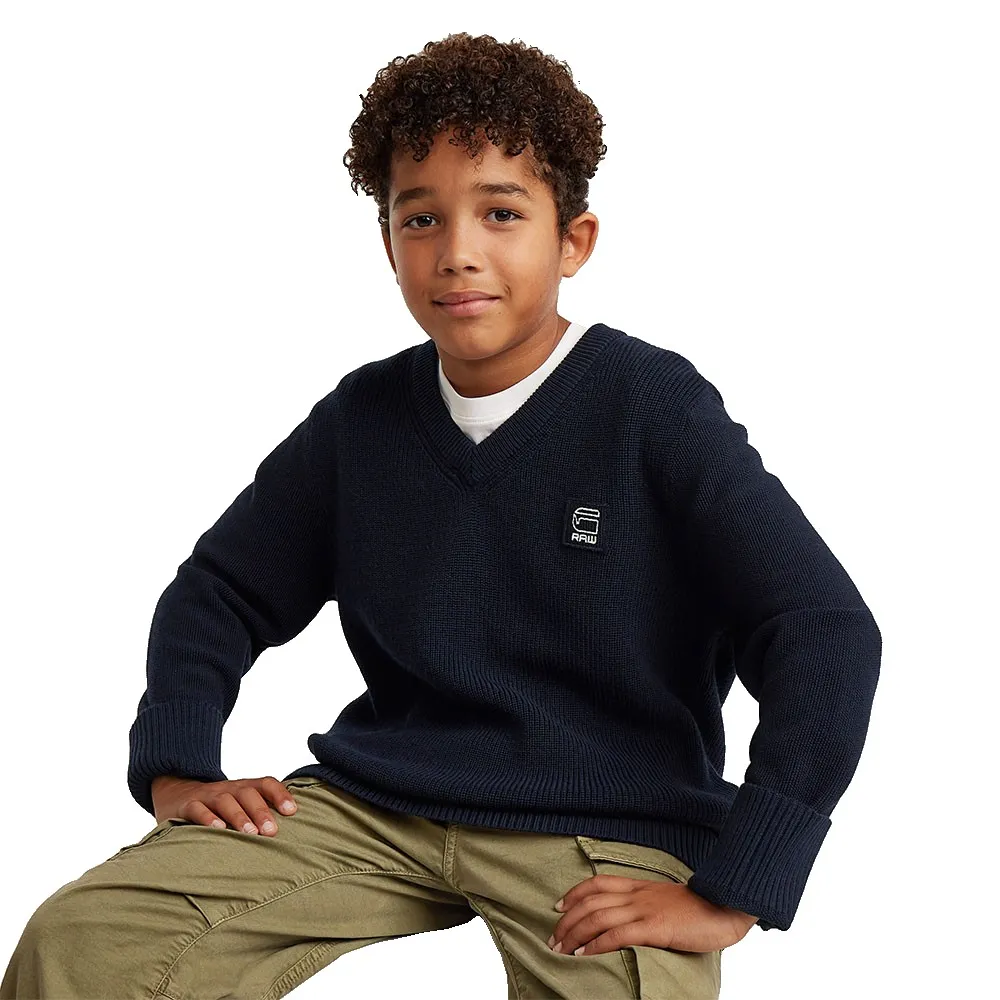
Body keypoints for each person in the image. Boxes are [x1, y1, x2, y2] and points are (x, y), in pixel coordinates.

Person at [1, 31, 881, 1000]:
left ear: (573, 240)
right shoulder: (362, 420)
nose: (457, 253)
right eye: (420, 218)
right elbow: (220, 591)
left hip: (608, 821)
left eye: (501, 212)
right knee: (84, 941)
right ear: (388, 243)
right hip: (380, 798)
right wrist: (177, 763)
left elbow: (822, 628)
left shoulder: (651, 407)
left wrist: (742, 882)